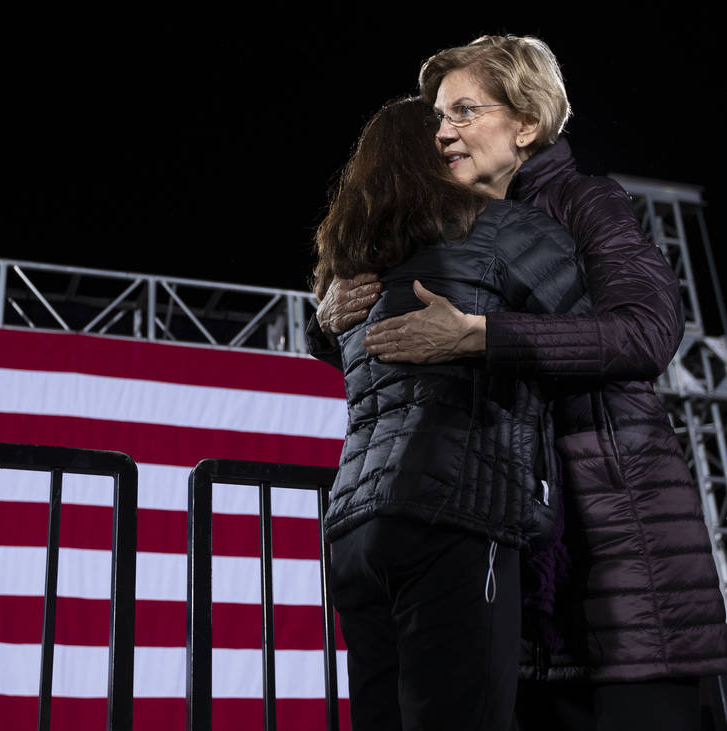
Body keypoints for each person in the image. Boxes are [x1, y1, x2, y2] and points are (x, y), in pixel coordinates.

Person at [309, 35, 727, 730]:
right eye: (440, 116)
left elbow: (648, 332)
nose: (444, 131)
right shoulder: (447, 229)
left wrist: (482, 336)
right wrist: (331, 322)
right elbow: (404, 353)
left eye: (466, 111)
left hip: (615, 551)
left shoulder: (587, 203)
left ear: (527, 123)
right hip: (519, 559)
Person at [316, 94, 588, 731]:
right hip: (456, 509)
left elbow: (361, 366)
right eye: (447, 127)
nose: (457, 135)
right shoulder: (500, 228)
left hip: (353, 527)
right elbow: (604, 337)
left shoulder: (348, 270)